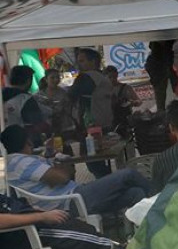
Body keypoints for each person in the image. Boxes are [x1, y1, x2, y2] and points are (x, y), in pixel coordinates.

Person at [2, 124, 153, 215]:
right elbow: (63, 177)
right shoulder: (21, 162)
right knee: (128, 174)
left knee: (136, 193)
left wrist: (58, 164)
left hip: (73, 197)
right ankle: (161, 198)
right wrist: (61, 164)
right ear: (27, 140)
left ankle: (145, 228)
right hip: (71, 201)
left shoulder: (16, 162)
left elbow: (62, 174)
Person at [0, 194, 119, 249]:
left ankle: (115, 247)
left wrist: (32, 210)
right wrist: (40, 216)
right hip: (13, 234)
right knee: (57, 230)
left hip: (23, 220)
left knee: (64, 220)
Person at [69, 48, 114, 178]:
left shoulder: (87, 77)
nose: (79, 65)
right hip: (104, 124)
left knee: (93, 162)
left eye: (82, 61)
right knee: (98, 160)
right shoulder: (103, 78)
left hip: (90, 126)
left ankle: (111, 184)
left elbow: (70, 95)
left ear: (93, 61)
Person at [3, 65, 49, 136]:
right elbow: (38, 124)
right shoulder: (25, 99)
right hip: (21, 142)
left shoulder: (2, 95)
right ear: (28, 80)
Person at [35, 68, 76, 138]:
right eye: (52, 78)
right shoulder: (38, 96)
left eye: (57, 77)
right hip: (46, 130)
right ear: (46, 79)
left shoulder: (64, 94)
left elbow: (69, 111)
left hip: (64, 129)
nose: (56, 80)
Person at [104, 65, 140, 133]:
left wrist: (133, 102)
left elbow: (139, 101)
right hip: (110, 123)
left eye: (114, 77)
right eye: (109, 77)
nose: (112, 79)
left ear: (117, 75)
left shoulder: (126, 87)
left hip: (126, 121)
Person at [145, 40, 177, 112]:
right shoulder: (155, 58)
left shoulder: (169, 54)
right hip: (162, 79)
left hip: (166, 79)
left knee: (162, 103)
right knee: (162, 102)